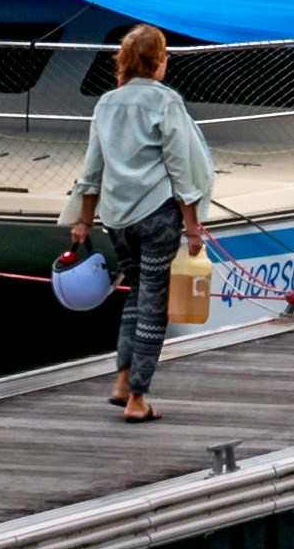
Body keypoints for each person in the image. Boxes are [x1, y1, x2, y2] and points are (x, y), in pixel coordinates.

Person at [67, 21, 218, 419]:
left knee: (136, 294)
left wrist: (84, 221)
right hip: (157, 216)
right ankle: (137, 399)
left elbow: (91, 169)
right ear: (156, 62)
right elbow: (181, 169)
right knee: (154, 303)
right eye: (164, 56)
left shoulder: (105, 103)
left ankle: (121, 378)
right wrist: (192, 226)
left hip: (116, 219)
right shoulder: (165, 102)